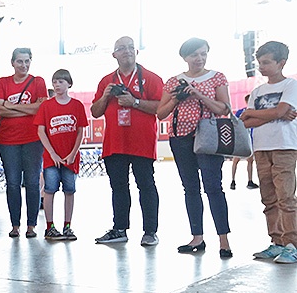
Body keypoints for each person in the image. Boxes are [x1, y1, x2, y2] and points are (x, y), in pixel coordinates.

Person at [156, 38, 233, 258]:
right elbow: (161, 113)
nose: (199, 58)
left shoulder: (217, 77)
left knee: (213, 187)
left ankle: (224, 240)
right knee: (190, 188)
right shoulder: (173, 81)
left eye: (203, 54)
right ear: (185, 57)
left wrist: (198, 94)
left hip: (208, 136)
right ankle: (197, 237)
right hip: (180, 138)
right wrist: (177, 98)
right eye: (194, 55)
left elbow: (223, 109)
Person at [90, 36, 163, 246]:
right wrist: (105, 97)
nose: (127, 51)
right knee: (118, 187)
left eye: (130, 47)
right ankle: (119, 229)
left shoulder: (151, 78)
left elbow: (161, 108)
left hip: (141, 141)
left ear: (136, 51)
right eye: (121, 48)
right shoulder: (106, 81)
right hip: (115, 143)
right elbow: (95, 112)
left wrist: (135, 102)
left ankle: (150, 231)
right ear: (114, 54)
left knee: (146, 185)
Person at [240, 41, 297, 264]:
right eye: (259, 63)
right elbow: (245, 121)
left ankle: (292, 244)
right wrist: (275, 113)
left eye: (266, 62)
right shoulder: (257, 91)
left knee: (286, 197)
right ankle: (277, 242)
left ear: (281, 63)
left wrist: (260, 113)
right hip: (261, 148)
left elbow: (282, 109)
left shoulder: (290, 86)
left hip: (284, 147)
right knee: (269, 197)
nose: (261, 67)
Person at [0, 48, 49, 238]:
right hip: (8, 141)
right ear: (12, 63)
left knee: (33, 182)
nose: (23, 65)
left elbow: (41, 108)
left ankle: (31, 225)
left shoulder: (38, 81)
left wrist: (12, 107)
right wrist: (27, 109)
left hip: (33, 140)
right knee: (13, 183)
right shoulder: (3, 82)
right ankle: (15, 225)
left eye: (27, 61)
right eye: (19, 61)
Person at [34, 69, 88, 241]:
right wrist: (52, 153)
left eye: (61, 82)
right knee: (49, 189)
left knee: (70, 190)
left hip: (70, 158)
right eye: (55, 82)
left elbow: (80, 132)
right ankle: (50, 226)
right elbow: (41, 131)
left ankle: (67, 226)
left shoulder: (77, 106)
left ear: (69, 84)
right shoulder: (46, 106)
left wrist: (73, 153)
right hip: (52, 158)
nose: (57, 85)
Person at [231, 94, 259, 190]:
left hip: (242, 137)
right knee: (248, 160)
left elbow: (234, 122)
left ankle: (234, 180)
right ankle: (248, 180)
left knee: (238, 160)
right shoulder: (253, 112)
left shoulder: (241, 112)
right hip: (247, 137)